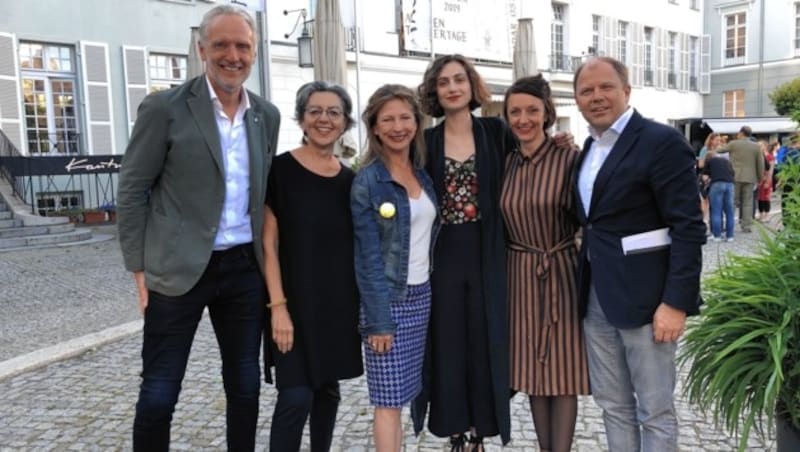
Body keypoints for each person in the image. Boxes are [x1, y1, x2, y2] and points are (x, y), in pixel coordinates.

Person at [117, 5, 280, 451]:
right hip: (177, 270)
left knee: (246, 387)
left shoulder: (266, 115)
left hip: (244, 269)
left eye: (242, 45)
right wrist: (139, 271)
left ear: (254, 51)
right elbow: (132, 191)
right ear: (201, 48)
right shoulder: (164, 108)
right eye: (222, 44)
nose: (233, 55)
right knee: (159, 392)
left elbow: (260, 193)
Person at [573, 57, 705, 452]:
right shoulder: (588, 149)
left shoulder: (660, 142)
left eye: (605, 87)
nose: (596, 97)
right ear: (577, 100)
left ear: (626, 90)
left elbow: (688, 227)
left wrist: (675, 303)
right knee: (612, 405)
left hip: (650, 303)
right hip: (597, 297)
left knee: (655, 411)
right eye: (586, 91)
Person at [411, 54, 516, 451]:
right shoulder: (427, 141)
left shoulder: (496, 131)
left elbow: (529, 161)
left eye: (459, 79)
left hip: (488, 250)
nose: (452, 87)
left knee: (483, 338)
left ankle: (480, 429)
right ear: (434, 91)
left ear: (471, 85)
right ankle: (454, 428)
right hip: (443, 254)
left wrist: (560, 142)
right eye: (443, 82)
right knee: (448, 340)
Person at [262, 81, 363, 451]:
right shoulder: (279, 171)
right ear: (302, 120)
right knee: (295, 397)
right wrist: (278, 308)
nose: (324, 119)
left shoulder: (352, 181)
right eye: (315, 111)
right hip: (291, 305)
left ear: (345, 123)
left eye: (333, 112)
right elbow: (267, 245)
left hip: (337, 305)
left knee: (328, 393)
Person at [500, 75, 590, 452]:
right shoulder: (504, 164)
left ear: (547, 113)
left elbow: (590, 218)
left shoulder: (571, 160)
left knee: (563, 369)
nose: (524, 119)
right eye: (515, 112)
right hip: (519, 274)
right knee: (533, 373)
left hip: (562, 271)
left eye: (532, 111)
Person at [351, 84, 439, 452]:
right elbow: (367, 258)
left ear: (417, 124)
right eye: (387, 119)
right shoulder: (368, 182)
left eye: (405, 117)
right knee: (388, 401)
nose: (397, 126)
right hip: (389, 302)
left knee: (404, 393)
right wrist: (379, 320)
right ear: (374, 127)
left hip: (422, 297)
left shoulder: (422, 175)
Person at [716, 126, 764, 233]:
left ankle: (730, 225)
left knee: (732, 201)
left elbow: (719, 150)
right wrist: (760, 178)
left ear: (741, 133)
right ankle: (746, 226)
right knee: (747, 202)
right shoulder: (756, 146)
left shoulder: (734, 144)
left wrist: (719, 143)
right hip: (750, 177)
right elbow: (760, 164)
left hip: (735, 176)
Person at [703, 150, 736, 242]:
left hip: (717, 184)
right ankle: (730, 236)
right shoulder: (726, 161)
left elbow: (705, 178)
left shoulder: (709, 162)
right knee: (729, 211)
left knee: (716, 211)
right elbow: (733, 173)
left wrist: (708, 180)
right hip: (730, 184)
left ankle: (717, 235)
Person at [757, 140, 775, 222]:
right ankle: (761, 215)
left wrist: (768, 180)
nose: (759, 147)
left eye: (760, 146)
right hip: (759, 179)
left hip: (767, 179)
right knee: (759, 198)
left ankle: (767, 216)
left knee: (766, 198)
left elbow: (771, 170)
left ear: (765, 146)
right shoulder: (758, 156)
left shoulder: (770, 156)